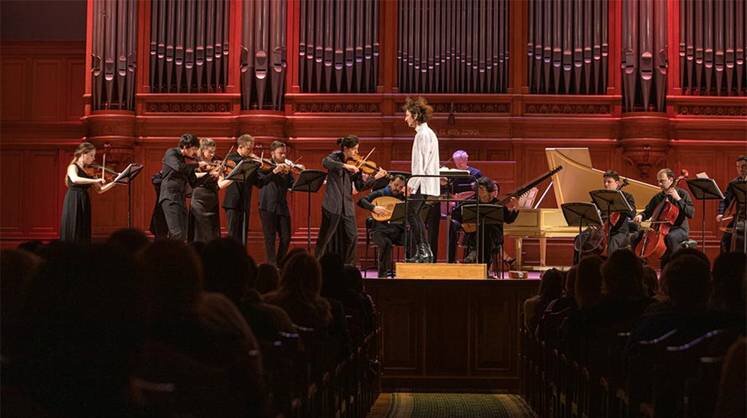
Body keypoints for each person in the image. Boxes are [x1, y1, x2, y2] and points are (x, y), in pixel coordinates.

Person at [315, 135, 386, 264]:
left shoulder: (356, 165)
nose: (357, 153)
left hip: (347, 206)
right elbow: (325, 162)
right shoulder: (335, 157)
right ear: (346, 148)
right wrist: (345, 166)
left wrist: (375, 178)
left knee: (352, 237)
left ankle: (348, 266)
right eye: (354, 149)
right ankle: (315, 264)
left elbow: (359, 186)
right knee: (324, 238)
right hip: (332, 205)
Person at [452, 177, 519, 273]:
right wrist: (463, 225)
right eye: (477, 188)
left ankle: (474, 257)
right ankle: (483, 269)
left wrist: (516, 207)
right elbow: (455, 214)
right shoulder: (472, 201)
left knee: (486, 230)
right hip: (475, 235)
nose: (479, 191)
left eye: (482, 189)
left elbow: (509, 219)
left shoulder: (497, 204)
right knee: (483, 232)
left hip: (494, 236)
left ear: (489, 190)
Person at [427, 149, 483, 262]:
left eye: (462, 160)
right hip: (456, 209)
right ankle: (451, 260)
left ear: (467, 159)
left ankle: (473, 258)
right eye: (457, 161)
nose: (460, 163)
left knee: (476, 230)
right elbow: (447, 191)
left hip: (471, 208)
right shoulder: (452, 174)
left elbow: (480, 191)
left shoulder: (476, 173)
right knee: (451, 227)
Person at [403, 96, 440, 263]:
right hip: (423, 181)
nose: (405, 118)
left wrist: (411, 184)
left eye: (407, 115)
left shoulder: (423, 134)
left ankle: (424, 251)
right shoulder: (425, 133)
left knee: (411, 214)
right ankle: (425, 251)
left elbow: (421, 163)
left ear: (416, 116)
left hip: (422, 182)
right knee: (414, 214)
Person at [60, 142, 119, 243]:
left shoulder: (89, 171)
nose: (93, 158)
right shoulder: (72, 167)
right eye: (91, 155)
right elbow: (75, 179)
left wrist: (115, 182)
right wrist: (95, 180)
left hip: (83, 199)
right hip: (74, 198)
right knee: (74, 226)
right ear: (83, 154)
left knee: (83, 228)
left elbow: (100, 189)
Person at [633, 168, 695, 265]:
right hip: (660, 230)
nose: (659, 184)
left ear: (671, 180)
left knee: (670, 238)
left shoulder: (682, 194)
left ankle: (674, 265)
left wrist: (678, 199)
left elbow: (691, 213)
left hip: (679, 229)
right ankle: (640, 265)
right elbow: (648, 212)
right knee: (636, 236)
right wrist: (641, 216)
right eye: (658, 181)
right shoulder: (658, 197)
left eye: (662, 181)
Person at [573, 170, 636, 263]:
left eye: (609, 182)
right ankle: (577, 269)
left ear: (617, 183)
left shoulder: (627, 197)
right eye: (604, 182)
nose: (606, 184)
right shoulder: (600, 196)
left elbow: (632, 214)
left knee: (612, 245)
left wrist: (622, 203)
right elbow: (590, 210)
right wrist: (592, 221)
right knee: (579, 238)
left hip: (618, 231)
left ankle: (610, 272)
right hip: (599, 229)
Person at [257, 141, 304, 265]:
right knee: (270, 239)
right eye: (280, 153)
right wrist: (274, 171)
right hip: (267, 206)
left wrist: (300, 175)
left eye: (284, 153)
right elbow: (261, 181)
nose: (283, 156)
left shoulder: (286, 168)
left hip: (282, 206)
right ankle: (272, 266)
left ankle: (280, 263)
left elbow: (291, 185)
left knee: (286, 237)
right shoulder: (264, 165)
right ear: (273, 154)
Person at [158, 133, 207, 242]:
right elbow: (179, 167)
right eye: (194, 149)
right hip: (170, 198)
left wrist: (210, 175)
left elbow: (194, 182)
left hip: (180, 198)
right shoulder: (171, 153)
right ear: (185, 147)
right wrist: (197, 165)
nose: (195, 153)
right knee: (177, 233)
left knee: (183, 234)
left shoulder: (186, 161)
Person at [358, 174, 407, 278]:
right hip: (379, 231)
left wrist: (409, 197)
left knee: (412, 239)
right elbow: (361, 201)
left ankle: (410, 273)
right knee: (386, 243)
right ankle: (383, 276)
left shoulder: (402, 196)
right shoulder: (380, 193)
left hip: (396, 231)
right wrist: (373, 208)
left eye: (400, 187)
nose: (397, 188)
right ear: (390, 183)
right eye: (396, 185)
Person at [189, 138, 231, 243]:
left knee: (212, 234)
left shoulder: (217, 163)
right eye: (210, 152)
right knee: (201, 232)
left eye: (214, 151)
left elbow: (220, 184)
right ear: (202, 150)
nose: (213, 154)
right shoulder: (195, 162)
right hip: (199, 200)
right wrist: (210, 173)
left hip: (212, 201)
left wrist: (233, 178)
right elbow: (192, 177)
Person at [222, 134, 261, 245]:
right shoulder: (232, 158)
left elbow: (259, 182)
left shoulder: (250, 162)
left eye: (252, 149)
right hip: (233, 203)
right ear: (240, 147)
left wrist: (271, 170)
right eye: (248, 149)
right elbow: (235, 167)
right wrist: (250, 160)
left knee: (243, 236)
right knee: (233, 235)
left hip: (244, 202)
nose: (251, 152)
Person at [717, 155, 747, 253]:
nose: (741, 169)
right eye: (738, 167)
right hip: (740, 217)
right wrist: (721, 212)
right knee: (725, 240)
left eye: (744, 166)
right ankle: (726, 266)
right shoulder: (734, 183)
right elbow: (725, 199)